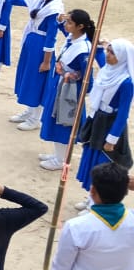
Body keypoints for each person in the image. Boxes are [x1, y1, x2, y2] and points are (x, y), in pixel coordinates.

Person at [75, 40, 134, 201]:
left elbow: (123, 113)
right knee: (92, 159)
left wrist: (112, 139)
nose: (108, 55)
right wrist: (100, 46)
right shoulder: (108, 71)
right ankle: (91, 198)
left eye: (113, 53)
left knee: (104, 163)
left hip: (110, 125)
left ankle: (97, 201)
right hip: (97, 121)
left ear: (122, 57)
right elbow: (99, 56)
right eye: (108, 51)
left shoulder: (126, 82)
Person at [39, 10, 96, 172]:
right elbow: (63, 28)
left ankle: (61, 159)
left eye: (70, 22)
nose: (66, 24)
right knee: (54, 118)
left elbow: (88, 77)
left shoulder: (83, 49)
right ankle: (57, 154)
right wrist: (59, 20)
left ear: (80, 26)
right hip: (60, 84)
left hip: (70, 91)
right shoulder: (73, 38)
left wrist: (79, 94)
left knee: (64, 122)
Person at [8, 0, 65, 131]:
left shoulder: (54, 9)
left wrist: (46, 61)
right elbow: (12, 0)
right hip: (31, 42)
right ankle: (30, 110)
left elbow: (50, 38)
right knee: (27, 76)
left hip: (41, 47)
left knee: (37, 81)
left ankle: (35, 118)